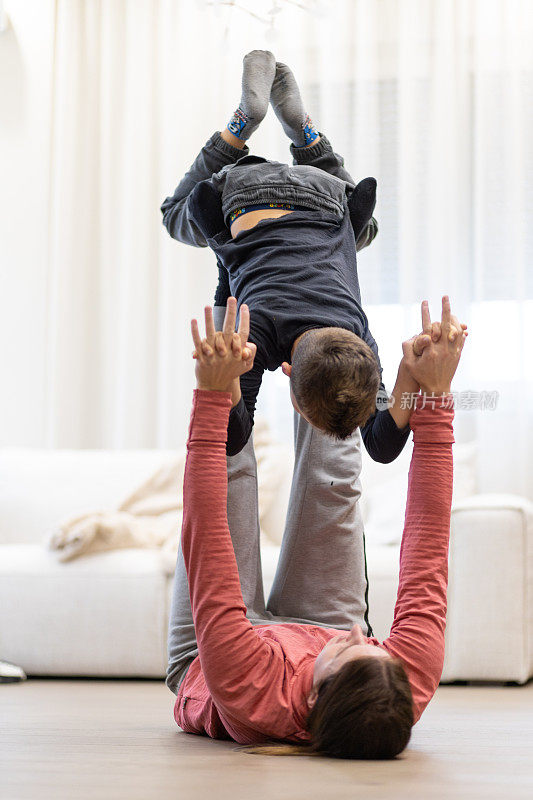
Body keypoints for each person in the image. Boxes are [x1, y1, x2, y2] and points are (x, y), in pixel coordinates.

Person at [166, 294, 467, 759]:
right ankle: (317, 280)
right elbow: (428, 546)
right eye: (375, 648)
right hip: (311, 630)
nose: (358, 633)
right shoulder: (404, 679)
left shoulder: (249, 688)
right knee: (337, 453)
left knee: (232, 466)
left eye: (349, 650)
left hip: (211, 655)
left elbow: (206, 540)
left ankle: (241, 284)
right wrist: (434, 392)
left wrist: (210, 394)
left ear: (312, 699)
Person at [161, 50, 425, 461]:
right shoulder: (256, 340)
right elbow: (233, 436)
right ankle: (239, 126)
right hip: (244, 195)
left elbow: (384, 442)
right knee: (174, 217)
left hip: (322, 192)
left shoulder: (358, 342)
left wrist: (410, 369)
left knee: (364, 232)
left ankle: (306, 135)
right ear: (290, 386)